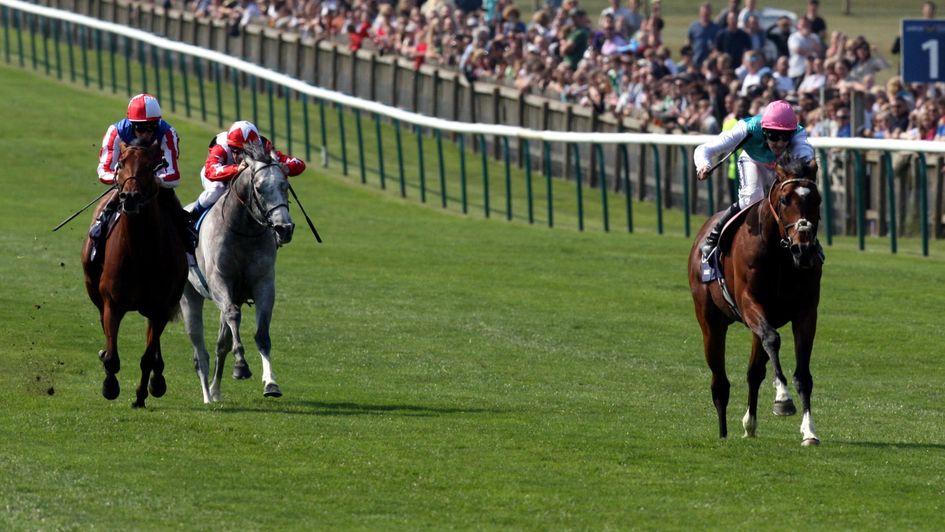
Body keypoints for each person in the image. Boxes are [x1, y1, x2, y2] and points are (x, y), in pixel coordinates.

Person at [693, 99, 815, 258]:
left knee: (796, 198)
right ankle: (714, 236)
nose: (779, 143)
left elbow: (806, 156)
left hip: (783, 166)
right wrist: (703, 165)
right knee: (752, 198)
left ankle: (810, 243)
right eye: (773, 135)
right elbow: (705, 149)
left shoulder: (799, 135)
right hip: (753, 161)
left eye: (785, 136)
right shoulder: (747, 128)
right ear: (764, 131)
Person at [92, 93, 191, 261]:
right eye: (140, 127)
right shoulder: (116, 132)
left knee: (182, 221)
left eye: (152, 126)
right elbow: (104, 169)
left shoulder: (168, 134)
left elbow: (174, 175)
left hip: (156, 185)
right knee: (101, 220)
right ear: (131, 124)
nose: (146, 133)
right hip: (126, 185)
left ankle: (190, 256)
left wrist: (156, 180)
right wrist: (122, 178)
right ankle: (93, 252)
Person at [188, 120, 306, 220]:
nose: (242, 157)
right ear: (230, 147)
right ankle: (192, 218)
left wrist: (285, 167)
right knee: (217, 189)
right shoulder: (221, 147)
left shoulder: (263, 148)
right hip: (218, 178)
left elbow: (298, 163)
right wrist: (236, 169)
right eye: (237, 151)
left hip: (243, 179)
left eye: (247, 152)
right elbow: (210, 171)